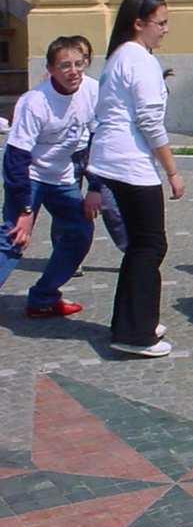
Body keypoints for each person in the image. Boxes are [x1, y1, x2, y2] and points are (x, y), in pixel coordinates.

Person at [88, 0, 184, 358]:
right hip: (129, 163)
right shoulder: (138, 60)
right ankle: (135, 332)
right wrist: (172, 170)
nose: (165, 29)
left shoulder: (121, 56)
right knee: (149, 245)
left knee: (141, 246)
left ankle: (131, 320)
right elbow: (147, 119)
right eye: (160, 23)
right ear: (138, 24)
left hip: (114, 159)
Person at [0, 37, 96, 319]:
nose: (73, 71)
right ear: (51, 70)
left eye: (79, 64)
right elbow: (15, 158)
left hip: (62, 177)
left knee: (79, 233)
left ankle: (43, 298)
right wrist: (25, 210)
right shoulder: (35, 102)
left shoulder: (92, 91)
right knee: (14, 238)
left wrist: (96, 187)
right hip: (29, 177)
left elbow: (100, 140)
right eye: (65, 65)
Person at [67, 35, 127, 257]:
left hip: (92, 152)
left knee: (110, 206)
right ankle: (69, 256)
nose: (76, 65)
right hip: (65, 158)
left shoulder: (95, 88)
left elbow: (98, 131)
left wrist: (94, 184)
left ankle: (132, 252)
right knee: (69, 210)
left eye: (82, 57)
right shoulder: (47, 91)